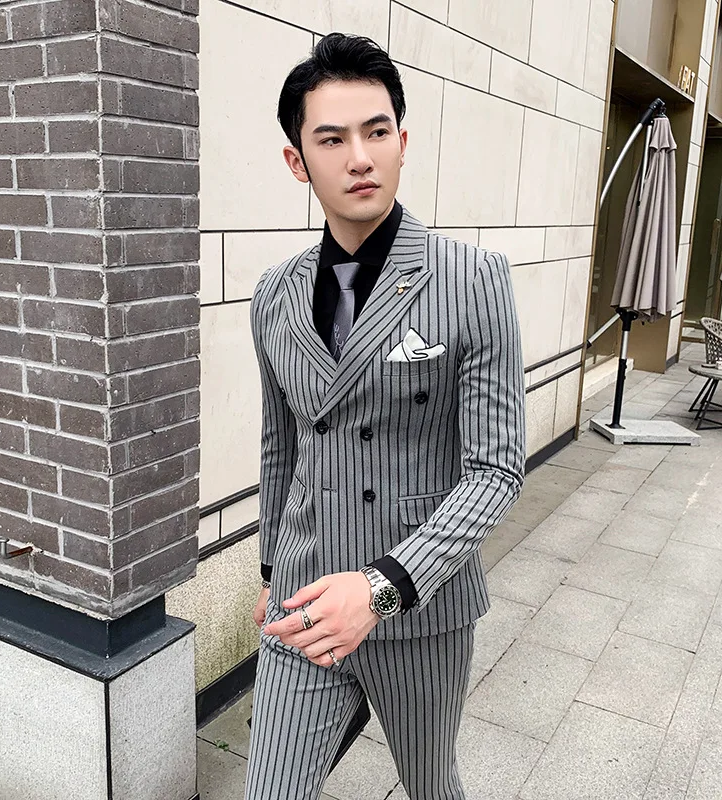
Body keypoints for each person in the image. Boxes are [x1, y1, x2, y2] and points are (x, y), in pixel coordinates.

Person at [245, 32, 526, 800]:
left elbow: (497, 469)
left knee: (430, 783)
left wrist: (382, 588)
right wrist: (271, 568)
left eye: (376, 132)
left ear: (402, 142)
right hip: (305, 599)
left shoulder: (472, 279)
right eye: (332, 139)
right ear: (298, 161)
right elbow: (280, 448)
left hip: (419, 608)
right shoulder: (273, 294)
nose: (360, 158)